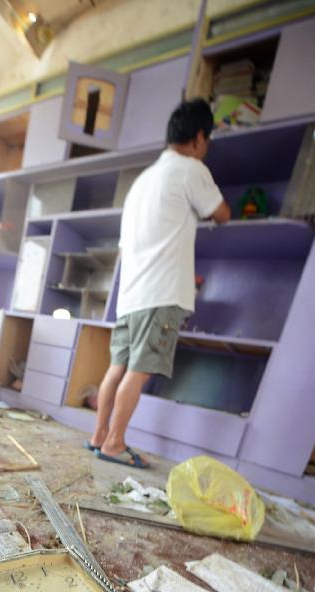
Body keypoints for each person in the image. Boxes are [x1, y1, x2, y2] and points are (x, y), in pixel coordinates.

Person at [87, 98, 231, 467]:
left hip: (131, 295)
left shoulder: (142, 181)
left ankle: (98, 435)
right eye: (208, 140)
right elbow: (222, 214)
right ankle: (115, 444)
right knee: (140, 370)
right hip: (161, 292)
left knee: (116, 368)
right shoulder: (191, 170)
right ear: (199, 138)